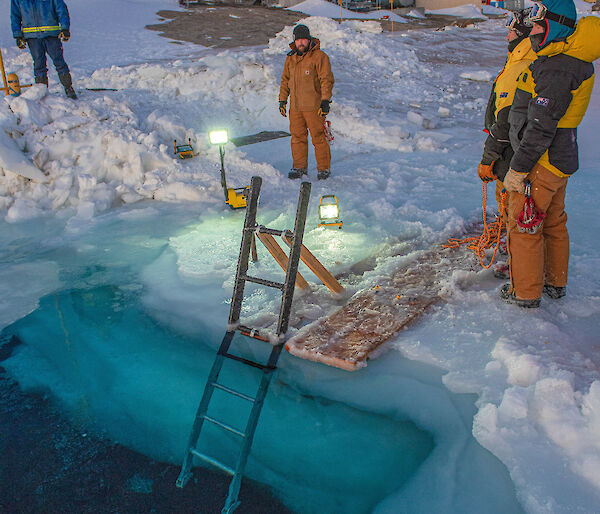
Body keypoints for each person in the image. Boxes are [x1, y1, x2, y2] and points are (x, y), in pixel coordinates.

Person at [500, 0, 600, 307]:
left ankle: (525, 292)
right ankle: (554, 283)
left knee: (524, 225)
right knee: (554, 221)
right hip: (560, 156)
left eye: (540, 27)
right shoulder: (568, 58)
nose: (533, 32)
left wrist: (518, 169)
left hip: (542, 160)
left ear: (556, 27)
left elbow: (541, 128)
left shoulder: (558, 67)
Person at [477, 10, 537, 280]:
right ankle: (514, 252)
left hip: (511, 151)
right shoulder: (518, 58)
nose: (507, 35)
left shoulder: (522, 65)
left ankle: (519, 265)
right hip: (510, 147)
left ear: (523, 34)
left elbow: (507, 120)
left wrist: (489, 157)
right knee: (509, 207)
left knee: (515, 209)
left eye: (512, 30)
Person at [279, 24, 334, 180]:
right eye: (298, 40)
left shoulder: (319, 57)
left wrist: (325, 101)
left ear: (309, 40)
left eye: (303, 40)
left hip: (314, 107)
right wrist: (282, 100)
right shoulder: (290, 59)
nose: (301, 43)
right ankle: (299, 167)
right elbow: (285, 81)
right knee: (297, 137)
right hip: (295, 107)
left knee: (318, 137)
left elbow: (326, 80)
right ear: (294, 41)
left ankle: (324, 169)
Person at [11, 0, 77, 99]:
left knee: (59, 61)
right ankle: (41, 93)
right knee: (39, 64)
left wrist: (65, 28)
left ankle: (68, 87)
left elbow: (61, 9)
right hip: (32, 37)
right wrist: (18, 35)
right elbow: (15, 15)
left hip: (52, 35)